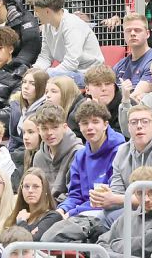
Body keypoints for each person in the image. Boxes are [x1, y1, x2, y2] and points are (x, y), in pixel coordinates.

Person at [40, 100, 125, 243]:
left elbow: (106, 199)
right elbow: (75, 195)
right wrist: (61, 211)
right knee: (44, 228)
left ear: (105, 124)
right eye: (85, 123)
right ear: (79, 126)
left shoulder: (119, 152)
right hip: (81, 212)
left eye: (95, 122)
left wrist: (72, 212)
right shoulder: (80, 155)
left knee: (52, 238)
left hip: (106, 212)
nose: (90, 127)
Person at [93, 104, 152, 228]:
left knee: (110, 218)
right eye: (134, 122)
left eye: (145, 121)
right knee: (103, 216)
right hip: (137, 209)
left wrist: (113, 199)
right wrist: (104, 198)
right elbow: (117, 191)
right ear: (128, 127)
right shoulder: (122, 151)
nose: (139, 126)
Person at [97, 166, 152, 257]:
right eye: (140, 193)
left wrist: (113, 245)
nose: (146, 199)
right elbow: (102, 243)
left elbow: (142, 248)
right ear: (134, 194)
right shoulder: (126, 217)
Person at [30, 0, 104, 87]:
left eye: (37, 11)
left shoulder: (72, 25)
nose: (35, 15)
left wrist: (44, 75)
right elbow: (45, 57)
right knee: (30, 78)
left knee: (48, 77)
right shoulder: (47, 26)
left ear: (47, 11)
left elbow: (71, 63)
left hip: (89, 74)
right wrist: (34, 71)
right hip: (69, 72)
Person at [30, 104, 83, 201]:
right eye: (44, 128)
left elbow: (76, 194)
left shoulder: (78, 153)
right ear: (38, 130)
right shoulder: (38, 157)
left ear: (65, 127)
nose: (49, 133)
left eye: (55, 127)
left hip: (68, 208)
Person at [4, 169, 61, 241]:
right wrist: (30, 233)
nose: (30, 190)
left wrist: (21, 222)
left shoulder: (53, 217)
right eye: (26, 186)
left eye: (36, 186)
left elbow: (31, 243)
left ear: (45, 190)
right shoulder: (17, 215)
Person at [112, 13, 152, 99]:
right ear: (124, 35)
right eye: (128, 31)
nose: (132, 33)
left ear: (147, 34)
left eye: (137, 30)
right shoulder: (120, 65)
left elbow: (136, 97)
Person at [8, 70, 48, 151]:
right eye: (24, 82)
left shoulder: (45, 111)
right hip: (14, 152)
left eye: (32, 84)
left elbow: (41, 146)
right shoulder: (17, 106)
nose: (26, 86)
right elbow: (13, 139)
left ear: (42, 87)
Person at [82, 66, 123, 136]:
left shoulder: (127, 105)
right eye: (97, 85)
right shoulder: (81, 106)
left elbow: (124, 139)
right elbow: (76, 135)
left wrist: (99, 114)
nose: (104, 88)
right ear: (87, 89)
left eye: (107, 84)